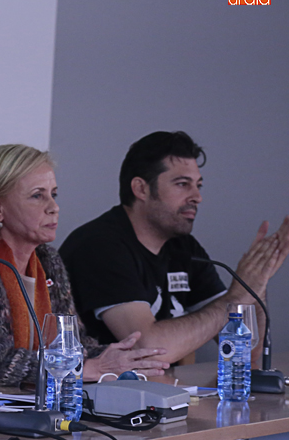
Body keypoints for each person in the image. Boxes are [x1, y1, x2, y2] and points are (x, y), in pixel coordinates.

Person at [0, 144, 169, 387]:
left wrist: (122, 358)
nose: (54, 207)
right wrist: (87, 367)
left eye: (54, 194)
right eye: (38, 196)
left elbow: (72, 344)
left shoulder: (48, 261)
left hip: (25, 409)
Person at [60, 131, 288, 364]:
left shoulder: (183, 247)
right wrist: (239, 295)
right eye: (182, 184)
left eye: (198, 185)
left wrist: (257, 282)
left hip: (163, 393)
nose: (197, 197)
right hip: (100, 394)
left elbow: (247, 352)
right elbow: (147, 349)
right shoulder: (99, 246)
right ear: (141, 189)